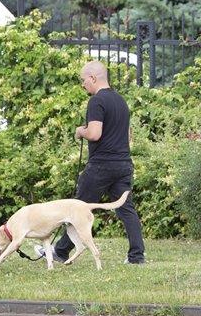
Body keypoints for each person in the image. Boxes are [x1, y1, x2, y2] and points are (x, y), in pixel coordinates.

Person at [40, 61, 146, 264]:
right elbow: (128, 133)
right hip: (123, 163)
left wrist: (81, 131)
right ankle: (136, 256)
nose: (83, 85)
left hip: (101, 166)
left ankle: (60, 252)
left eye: (83, 80)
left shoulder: (97, 101)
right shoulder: (121, 101)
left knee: (75, 210)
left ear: (93, 78)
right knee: (126, 208)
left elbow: (95, 134)